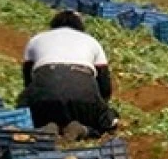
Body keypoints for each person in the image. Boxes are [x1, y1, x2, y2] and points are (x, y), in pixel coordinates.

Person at [19, 10, 119, 141]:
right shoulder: (92, 42)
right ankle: (84, 129)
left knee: (25, 108)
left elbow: (28, 81)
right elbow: (105, 86)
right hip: (83, 95)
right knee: (107, 120)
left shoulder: (36, 40)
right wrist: (99, 108)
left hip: (45, 97)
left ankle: (45, 126)